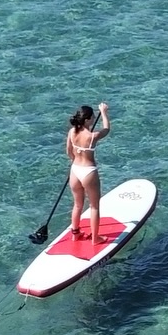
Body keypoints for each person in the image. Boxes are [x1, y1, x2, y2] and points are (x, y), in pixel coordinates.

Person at [66, 102, 110, 246]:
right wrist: (103, 112)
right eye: (92, 118)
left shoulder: (72, 132)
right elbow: (106, 129)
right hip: (88, 172)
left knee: (77, 205)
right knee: (94, 206)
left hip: (75, 170)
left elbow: (69, 151)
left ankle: (75, 234)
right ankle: (95, 239)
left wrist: (75, 160)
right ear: (87, 120)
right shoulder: (92, 136)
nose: (93, 120)